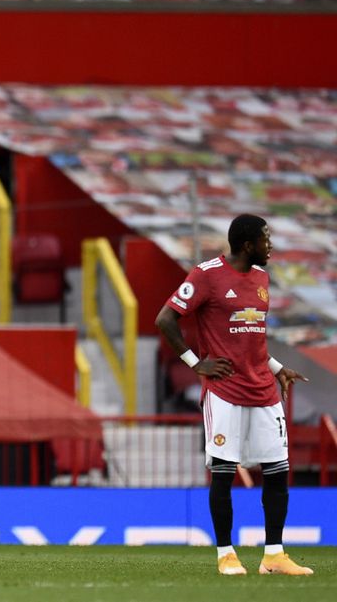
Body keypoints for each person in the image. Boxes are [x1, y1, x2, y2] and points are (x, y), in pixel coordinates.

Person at [155, 213, 312, 577]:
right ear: (247, 244)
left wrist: (277, 369)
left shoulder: (261, 278)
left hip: (263, 390)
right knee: (223, 473)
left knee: (277, 471)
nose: (270, 245)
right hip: (225, 391)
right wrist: (196, 364)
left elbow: (251, 340)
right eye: (265, 239)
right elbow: (165, 318)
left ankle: (274, 555)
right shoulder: (206, 274)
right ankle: (226, 555)